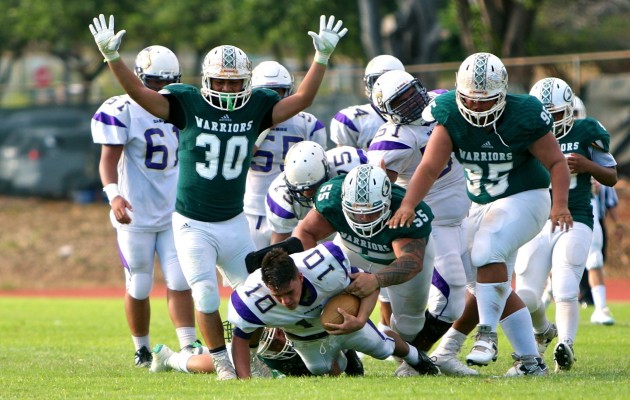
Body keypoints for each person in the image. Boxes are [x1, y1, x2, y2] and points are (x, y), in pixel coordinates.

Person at [89, 13, 347, 380]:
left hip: (233, 221)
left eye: (235, 83)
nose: (227, 90)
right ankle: (222, 364)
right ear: (207, 81)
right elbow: (140, 94)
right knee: (206, 296)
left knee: (257, 294)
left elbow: (302, 97)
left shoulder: (257, 107)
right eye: (221, 83)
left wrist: (320, 59)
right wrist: (113, 59)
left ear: (248, 82)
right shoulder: (188, 103)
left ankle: (252, 356)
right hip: (192, 223)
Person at [387, 52, 572, 376]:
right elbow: (429, 167)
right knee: (481, 278)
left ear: (501, 95)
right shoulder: (448, 114)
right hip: (482, 204)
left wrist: (560, 204)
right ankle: (528, 362)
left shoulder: (524, 114)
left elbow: (557, 162)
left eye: (485, 102)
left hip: (526, 196)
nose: (476, 108)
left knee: (486, 251)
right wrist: (408, 204)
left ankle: (486, 336)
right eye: (470, 100)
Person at [151, 242, 438, 378]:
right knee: (322, 370)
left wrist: (360, 319)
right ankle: (346, 357)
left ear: (300, 276)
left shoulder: (326, 266)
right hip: (305, 338)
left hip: (343, 320)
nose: (286, 301)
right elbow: (240, 337)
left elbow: (368, 284)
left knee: (384, 347)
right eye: (278, 296)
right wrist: (244, 380)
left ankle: (419, 359)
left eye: (290, 292)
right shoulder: (251, 300)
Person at [90, 45, 199, 367]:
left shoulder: (182, 105)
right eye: (152, 81)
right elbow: (107, 160)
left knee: (180, 281)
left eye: (166, 82)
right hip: (135, 213)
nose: (158, 89)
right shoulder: (121, 109)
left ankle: (189, 346)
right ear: (138, 77)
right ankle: (141, 348)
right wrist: (114, 195)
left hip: (174, 212)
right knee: (139, 282)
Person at [293, 164, 439, 376]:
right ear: (343, 202)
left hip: (394, 260)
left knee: (410, 326)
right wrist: (310, 275)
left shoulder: (406, 210)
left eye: (371, 213)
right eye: (355, 212)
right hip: (351, 250)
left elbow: (411, 261)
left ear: (387, 203)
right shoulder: (331, 198)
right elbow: (305, 232)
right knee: (324, 306)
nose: (362, 219)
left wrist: (376, 280)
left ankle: (405, 353)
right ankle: (348, 350)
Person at [367, 71, 471, 365]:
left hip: (468, 214)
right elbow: (379, 191)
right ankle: (411, 358)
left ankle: (518, 350)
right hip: (432, 224)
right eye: (400, 100)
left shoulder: (442, 102)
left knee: (492, 286)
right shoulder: (393, 139)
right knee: (450, 301)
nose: (412, 101)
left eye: (412, 92)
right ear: (386, 110)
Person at [513, 77, 617, 372]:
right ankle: (544, 332)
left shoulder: (586, 130)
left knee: (565, 286)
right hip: (536, 221)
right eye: (544, 115)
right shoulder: (522, 133)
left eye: (555, 114)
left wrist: (587, 166)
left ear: (569, 110)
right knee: (527, 294)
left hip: (576, 218)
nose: (549, 121)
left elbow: (611, 176)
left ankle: (565, 345)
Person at [244, 61, 327, 250]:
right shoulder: (245, 121)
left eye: (277, 93)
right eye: (263, 93)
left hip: (294, 210)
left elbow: (320, 172)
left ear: (288, 91)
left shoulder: (307, 124)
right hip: (252, 210)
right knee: (246, 275)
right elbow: (239, 161)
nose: (271, 99)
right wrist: (262, 128)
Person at [266, 141, 367, 244]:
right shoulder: (280, 197)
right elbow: (280, 242)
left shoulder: (352, 166)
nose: (307, 193)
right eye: (301, 190)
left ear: (327, 171)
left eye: (312, 187)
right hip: (312, 232)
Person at [330, 55, 405, 149]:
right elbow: (345, 160)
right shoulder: (354, 120)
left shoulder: (422, 113)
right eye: (377, 81)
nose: (383, 87)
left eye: (391, 81)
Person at [586, 181, 622, 325]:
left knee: (595, 259)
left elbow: (610, 177)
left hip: (588, 211)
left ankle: (600, 307)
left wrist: (617, 223)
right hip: (556, 214)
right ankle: (542, 299)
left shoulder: (596, 162)